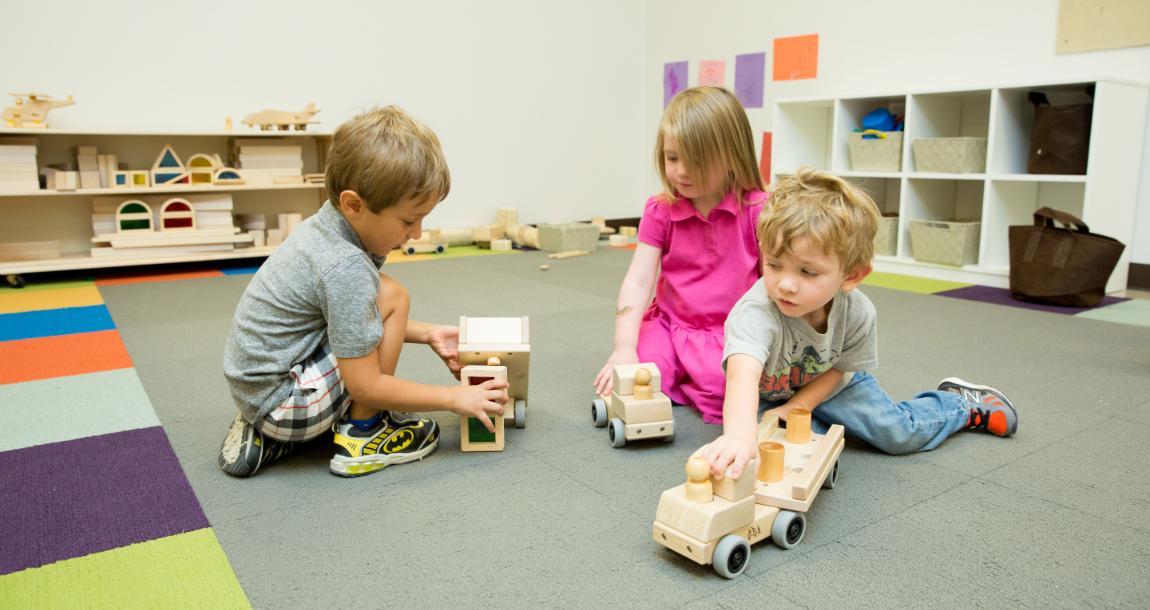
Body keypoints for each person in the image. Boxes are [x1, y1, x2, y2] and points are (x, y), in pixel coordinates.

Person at [217, 106, 508, 478]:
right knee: (393, 295)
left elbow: (346, 319)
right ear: (354, 204)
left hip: (258, 388)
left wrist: (428, 333)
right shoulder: (346, 266)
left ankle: (272, 432)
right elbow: (367, 385)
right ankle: (363, 434)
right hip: (284, 401)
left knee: (382, 298)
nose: (417, 233)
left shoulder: (328, 226)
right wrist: (454, 399)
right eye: (408, 220)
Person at [701, 168, 1018, 479]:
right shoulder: (754, 313)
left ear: (851, 276)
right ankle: (822, 427)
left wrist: (799, 405)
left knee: (898, 434)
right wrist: (740, 437)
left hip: (835, 384)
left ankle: (960, 405)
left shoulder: (858, 312)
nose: (785, 284)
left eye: (806, 272)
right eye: (774, 264)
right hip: (770, 396)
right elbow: (742, 377)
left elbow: (840, 369)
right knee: (776, 448)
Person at [592, 86, 767, 423]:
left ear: (732, 154)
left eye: (696, 160)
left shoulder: (758, 210)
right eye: (672, 158)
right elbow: (639, 281)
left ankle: (693, 379)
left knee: (723, 393)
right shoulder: (661, 209)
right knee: (636, 378)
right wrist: (623, 346)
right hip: (671, 325)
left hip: (734, 331)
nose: (681, 171)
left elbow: (771, 284)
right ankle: (683, 373)